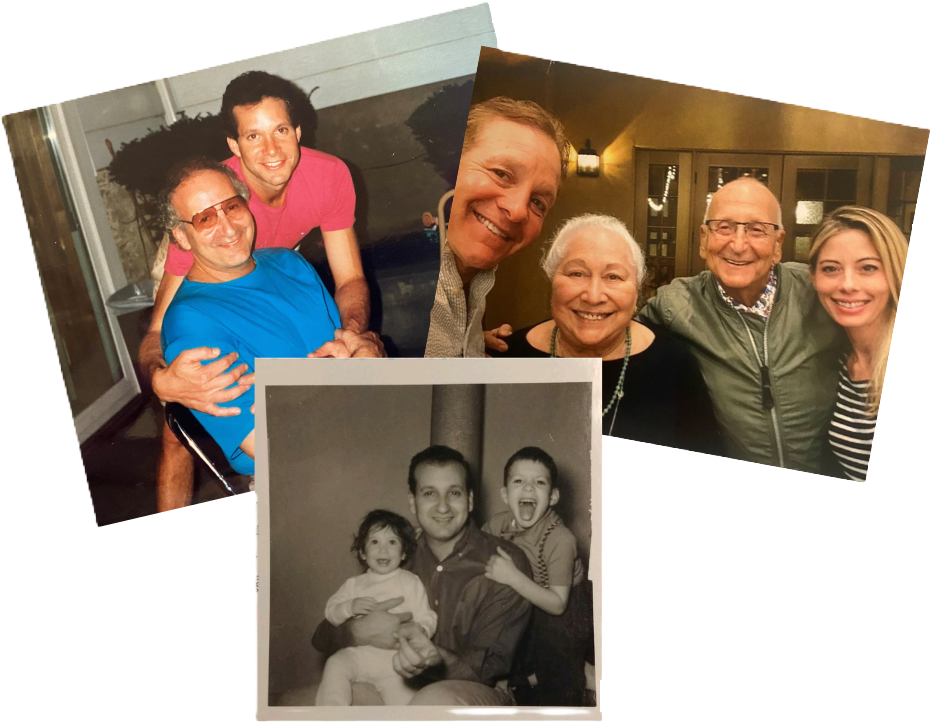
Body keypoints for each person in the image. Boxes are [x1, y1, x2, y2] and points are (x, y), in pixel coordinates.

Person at [140, 71, 379, 508]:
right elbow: (157, 332)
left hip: (269, 265)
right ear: (234, 145)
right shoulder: (209, 204)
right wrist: (162, 383)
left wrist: (355, 337)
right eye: (253, 136)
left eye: (281, 131)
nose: (271, 151)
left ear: (298, 131)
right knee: (179, 426)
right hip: (207, 271)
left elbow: (350, 279)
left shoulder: (327, 177)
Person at [159, 157, 380, 476]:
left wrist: (367, 353)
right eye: (205, 218)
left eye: (232, 206)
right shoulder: (191, 320)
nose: (228, 226)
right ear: (181, 236)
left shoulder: (288, 262)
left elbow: (349, 357)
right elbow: (277, 446)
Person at [639, 177, 844, 472]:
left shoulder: (819, 292)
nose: (738, 244)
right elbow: (618, 349)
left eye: (757, 230)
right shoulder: (674, 306)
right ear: (703, 239)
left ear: (778, 245)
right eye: (724, 227)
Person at [312, 445, 532, 706]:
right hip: (391, 679)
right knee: (300, 703)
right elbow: (321, 638)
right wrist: (356, 631)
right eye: (429, 493)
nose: (442, 506)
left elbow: (488, 668)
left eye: (454, 493)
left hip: (479, 688)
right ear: (412, 501)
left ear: (470, 500)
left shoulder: (507, 561)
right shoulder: (394, 552)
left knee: (431, 703)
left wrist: (437, 660)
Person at [492, 214, 722, 453]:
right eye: (577, 274)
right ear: (552, 281)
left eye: (613, 277)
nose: (593, 296)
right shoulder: (505, 358)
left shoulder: (674, 364)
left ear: (637, 292)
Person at [424, 97, 568, 358]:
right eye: (501, 174)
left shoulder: (478, 277)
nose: (517, 210)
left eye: (537, 202)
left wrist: (469, 346)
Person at [482, 447, 593, 706]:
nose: (529, 489)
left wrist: (511, 577)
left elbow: (557, 604)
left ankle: (581, 676)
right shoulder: (497, 524)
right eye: (519, 481)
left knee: (551, 674)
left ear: (553, 496)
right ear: (505, 494)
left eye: (539, 482)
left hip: (565, 611)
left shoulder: (560, 538)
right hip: (527, 600)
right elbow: (474, 548)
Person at [808, 206, 908, 481]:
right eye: (831, 269)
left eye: (868, 268)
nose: (848, 284)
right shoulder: (839, 358)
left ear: (896, 272)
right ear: (813, 278)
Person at [316, 510, 437, 706]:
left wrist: (422, 630)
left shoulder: (410, 581)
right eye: (374, 542)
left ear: (404, 552)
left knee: (407, 707)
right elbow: (331, 611)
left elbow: (427, 615)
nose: (383, 550)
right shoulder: (354, 584)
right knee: (336, 664)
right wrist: (349, 607)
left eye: (392, 542)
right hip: (360, 656)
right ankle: (332, 715)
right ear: (362, 553)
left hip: (396, 663)